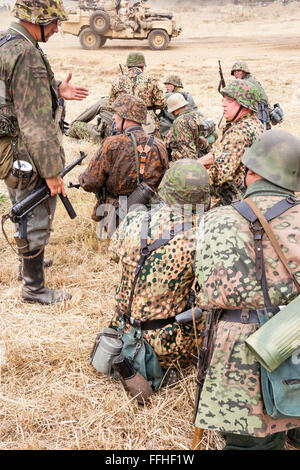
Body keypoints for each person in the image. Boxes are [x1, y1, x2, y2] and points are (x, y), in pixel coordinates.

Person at [194, 129, 300, 450]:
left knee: (247, 443)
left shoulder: (214, 220)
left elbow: (205, 293)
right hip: (294, 336)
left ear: (251, 172)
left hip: (236, 347)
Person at [0, 0, 88, 304]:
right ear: (36, 19)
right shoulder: (26, 54)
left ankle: (29, 263)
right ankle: (34, 288)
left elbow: (13, 92)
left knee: (21, 207)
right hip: (26, 153)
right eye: (52, 23)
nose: (55, 29)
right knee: (35, 212)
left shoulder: (8, 42)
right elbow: (36, 123)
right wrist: (51, 173)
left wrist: (55, 89)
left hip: (8, 151)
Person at [108, 159, 210, 379]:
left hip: (121, 331)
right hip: (166, 347)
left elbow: (113, 254)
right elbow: (210, 293)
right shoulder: (197, 237)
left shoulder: (134, 219)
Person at [78, 94, 168, 238]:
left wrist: (81, 178)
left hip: (117, 218)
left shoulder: (112, 144)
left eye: (116, 114)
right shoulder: (158, 145)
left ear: (126, 117)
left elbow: (90, 182)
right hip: (152, 216)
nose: (113, 117)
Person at [199, 79, 264, 206]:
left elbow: (220, 174)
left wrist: (189, 177)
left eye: (229, 100)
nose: (223, 104)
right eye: (223, 99)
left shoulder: (238, 132)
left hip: (238, 200)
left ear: (244, 105)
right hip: (253, 194)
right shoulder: (256, 123)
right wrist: (197, 163)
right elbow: (221, 152)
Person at [107, 52, 166, 137]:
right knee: (154, 145)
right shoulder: (151, 80)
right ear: (142, 67)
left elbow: (110, 105)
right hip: (147, 120)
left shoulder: (117, 81)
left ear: (128, 66)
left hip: (124, 121)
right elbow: (161, 103)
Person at [165, 93, 217, 161]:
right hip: (206, 158)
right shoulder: (200, 115)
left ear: (173, 110)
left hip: (191, 165)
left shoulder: (179, 122)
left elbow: (187, 152)